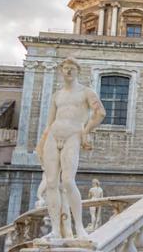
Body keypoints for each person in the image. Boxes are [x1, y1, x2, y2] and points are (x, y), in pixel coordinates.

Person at [37, 57, 105, 240]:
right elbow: (49, 122)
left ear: (77, 71)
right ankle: (56, 231)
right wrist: (41, 144)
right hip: (53, 135)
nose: (68, 71)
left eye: (71, 68)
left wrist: (86, 130)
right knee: (51, 183)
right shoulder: (57, 95)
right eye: (65, 68)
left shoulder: (86, 92)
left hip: (73, 134)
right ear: (61, 71)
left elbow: (100, 113)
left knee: (67, 181)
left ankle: (80, 228)